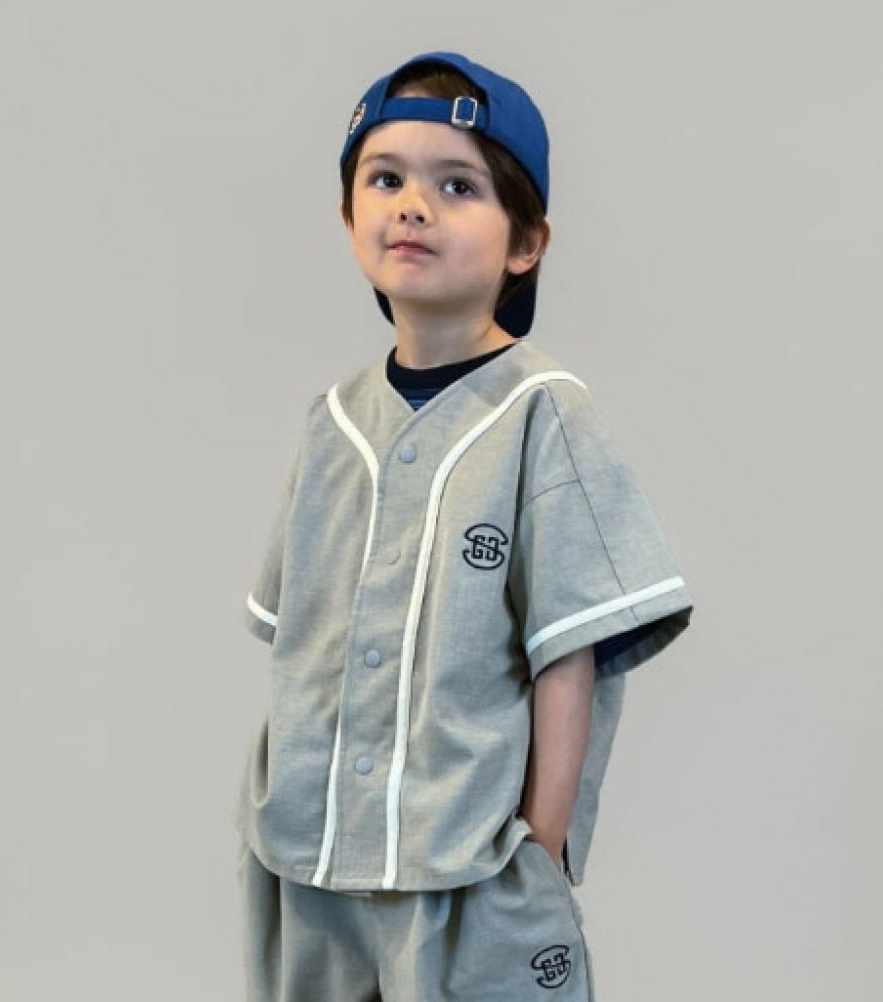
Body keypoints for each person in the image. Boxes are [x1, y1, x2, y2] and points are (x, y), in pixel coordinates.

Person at [232, 50, 694, 1001]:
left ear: (527, 241)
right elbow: (299, 652)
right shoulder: (332, 423)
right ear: (349, 216)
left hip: (467, 868)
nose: (413, 206)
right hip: (308, 862)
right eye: (385, 179)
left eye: (458, 185)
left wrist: (539, 848)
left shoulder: (543, 413)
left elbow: (569, 650)